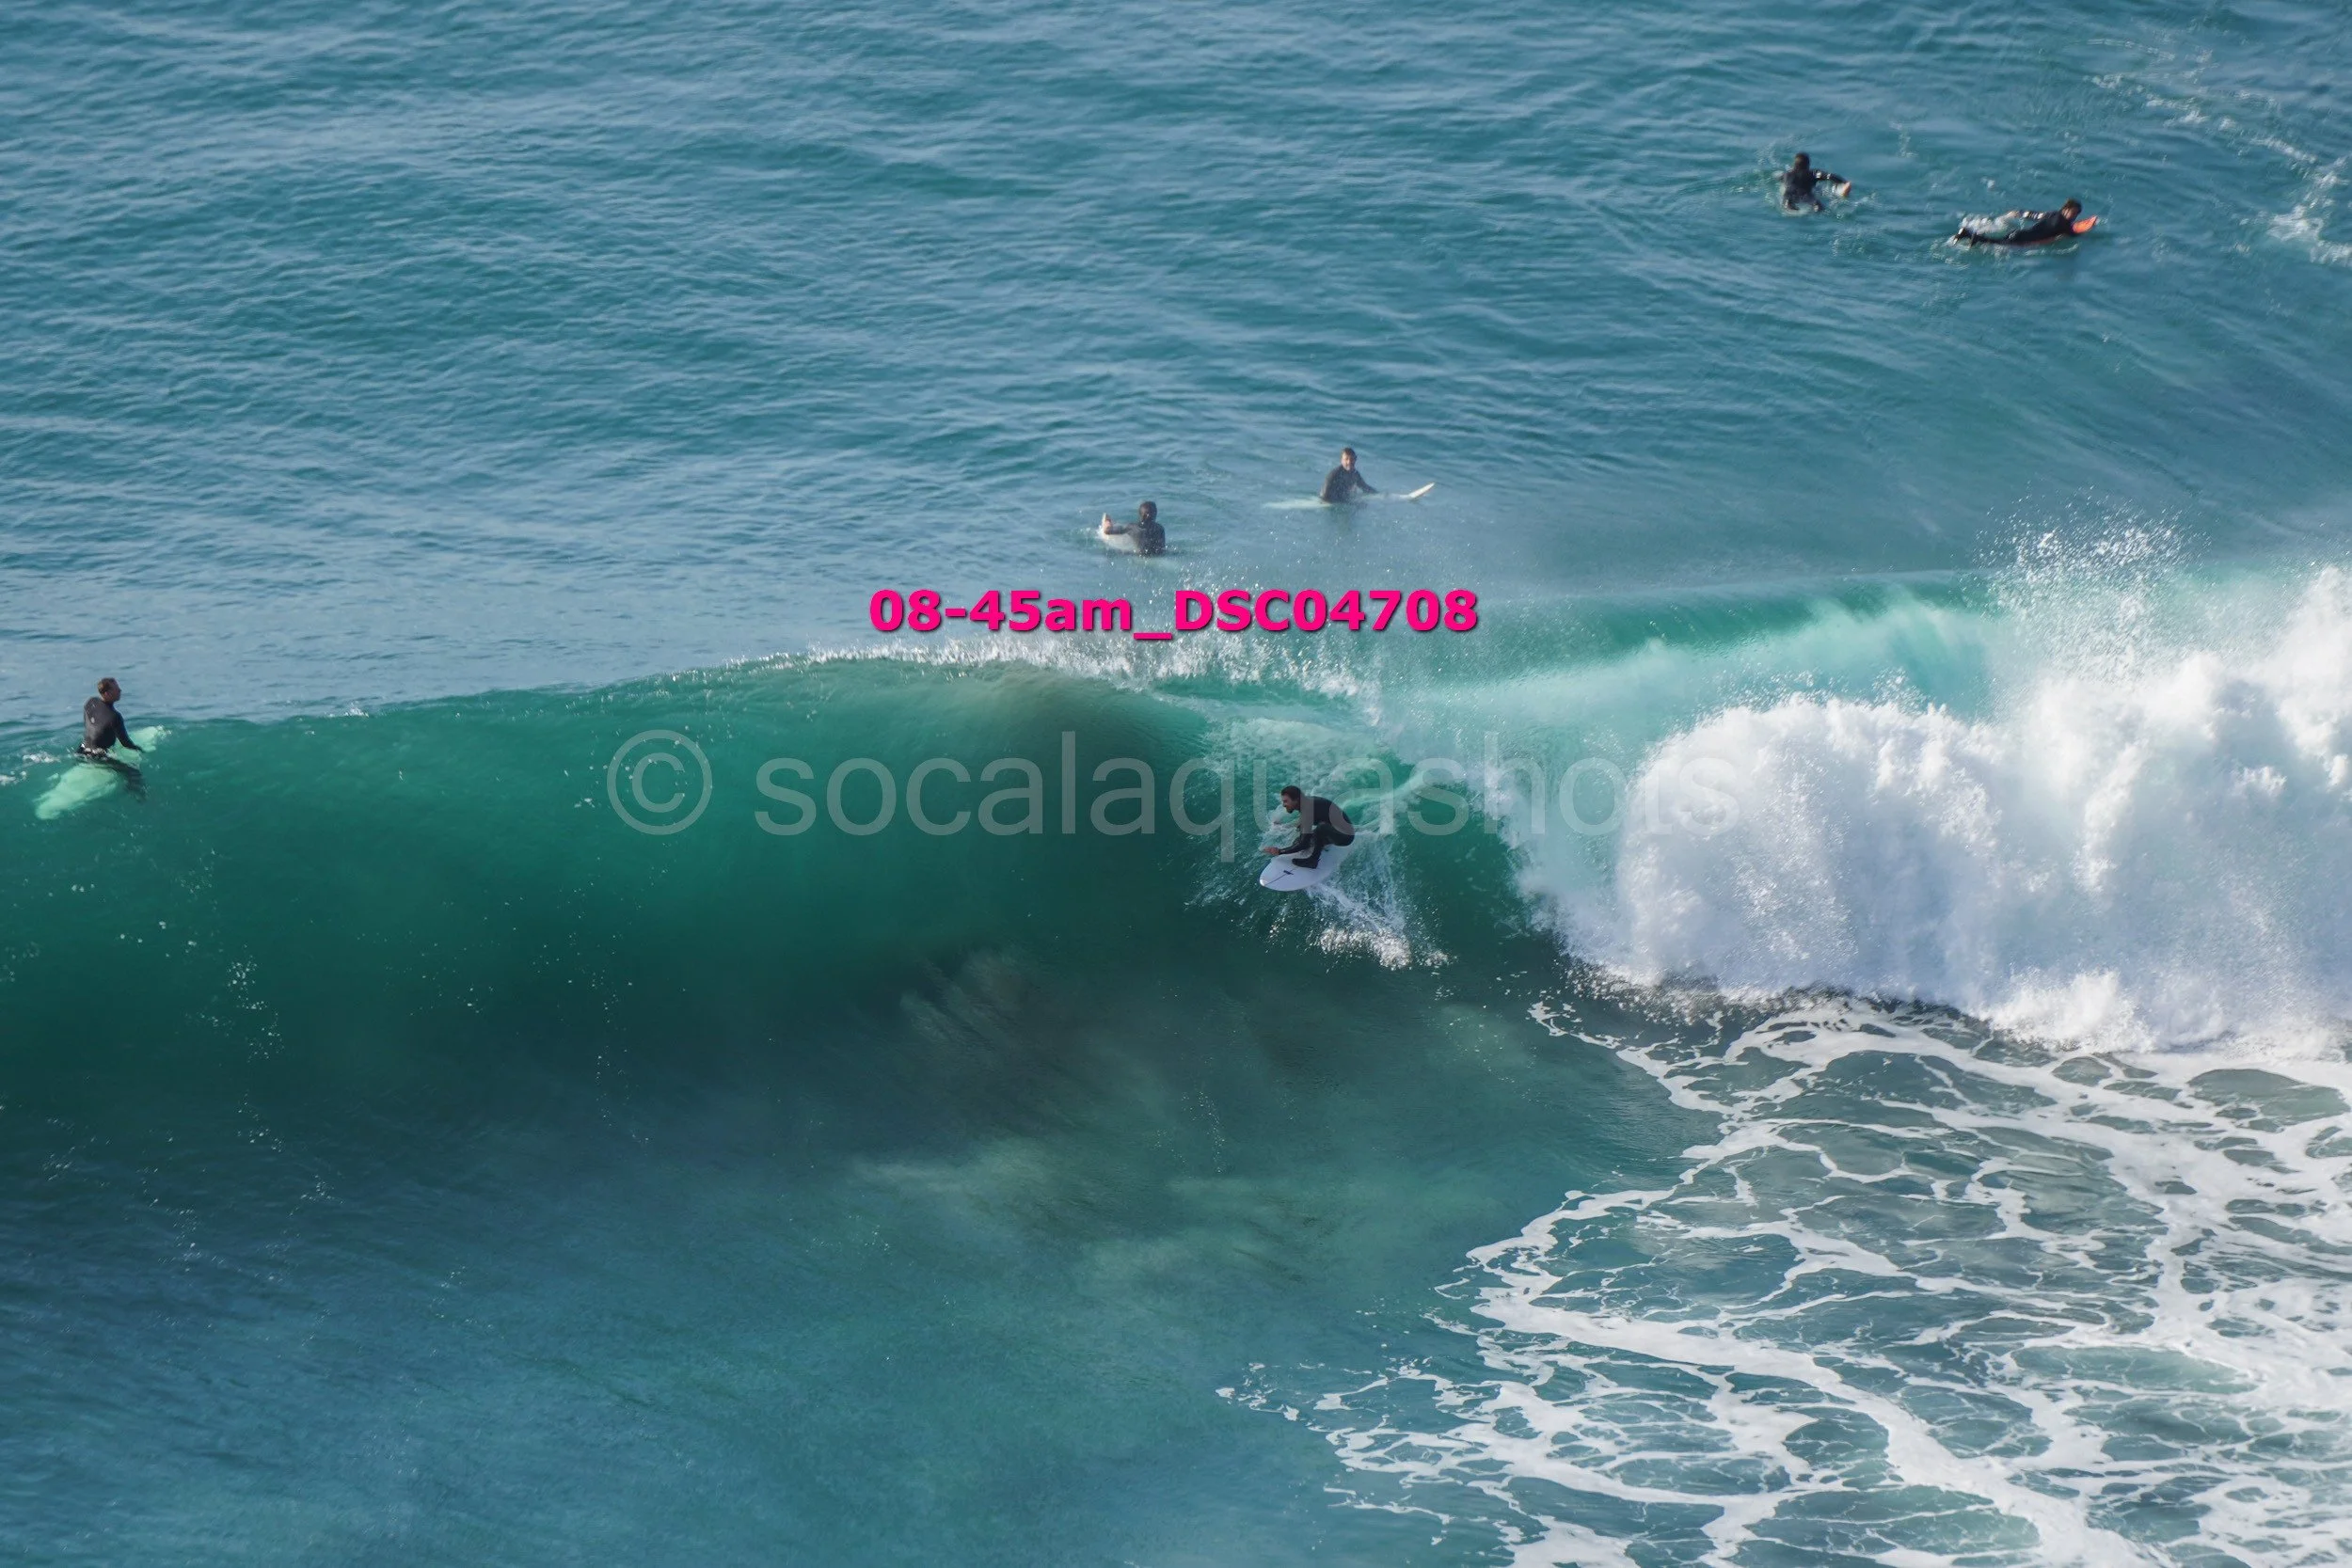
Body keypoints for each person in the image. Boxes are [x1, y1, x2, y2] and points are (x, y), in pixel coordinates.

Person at [1263, 784, 1356, 870]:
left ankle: (1313, 861)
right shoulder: (1306, 803)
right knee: (1301, 838)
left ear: (1296, 800)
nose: (1283, 805)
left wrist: (1279, 851)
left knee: (1319, 829)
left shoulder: (1307, 809)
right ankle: (1323, 842)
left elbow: (1302, 844)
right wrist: (1283, 827)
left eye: (1286, 801)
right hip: (1335, 830)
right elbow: (1301, 824)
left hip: (1345, 837)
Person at [1955, 199, 2090, 246]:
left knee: (1996, 242)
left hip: (2019, 233)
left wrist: (2019, 213)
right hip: (2023, 239)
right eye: (2074, 212)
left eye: (2077, 214)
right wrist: (2087, 232)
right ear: (2066, 210)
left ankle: (1968, 234)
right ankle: (1971, 235)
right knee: (1996, 244)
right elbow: (2073, 235)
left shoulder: (2052, 213)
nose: (2075, 216)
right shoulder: (2064, 225)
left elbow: (2034, 215)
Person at [82, 677, 142, 760]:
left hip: (83, 748)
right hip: (99, 755)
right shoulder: (115, 716)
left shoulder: (90, 702)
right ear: (107, 694)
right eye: (116, 689)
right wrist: (140, 750)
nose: (120, 690)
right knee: (133, 772)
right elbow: (126, 743)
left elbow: (89, 723)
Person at [1780, 152, 1851, 213]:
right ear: (1808, 165)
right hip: (1805, 194)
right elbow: (1829, 176)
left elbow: (1780, 179)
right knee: (1817, 206)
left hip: (1789, 194)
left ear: (1794, 164)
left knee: (1787, 204)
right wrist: (1844, 182)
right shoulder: (1812, 173)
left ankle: (1789, 207)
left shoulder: (1786, 174)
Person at [1100, 499, 1165, 555]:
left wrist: (1108, 521)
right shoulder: (1160, 529)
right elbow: (1161, 548)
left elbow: (1107, 531)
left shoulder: (1132, 528)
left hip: (1139, 556)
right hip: (1158, 555)